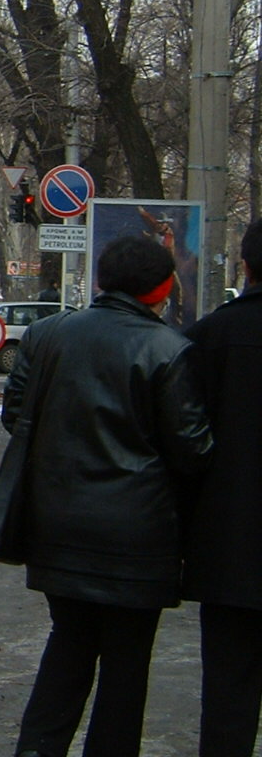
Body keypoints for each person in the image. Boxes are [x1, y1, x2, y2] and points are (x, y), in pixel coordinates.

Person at [0, 235, 212, 757]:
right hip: (138, 540)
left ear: (100, 280)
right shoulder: (168, 349)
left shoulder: (46, 335)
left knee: (67, 647)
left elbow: (15, 416)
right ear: (163, 288)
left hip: (56, 526)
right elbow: (193, 450)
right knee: (126, 668)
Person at [183, 218, 262, 757]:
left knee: (229, 694)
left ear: (245, 265)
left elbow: (185, 443)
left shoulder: (210, 337)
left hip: (230, 548)